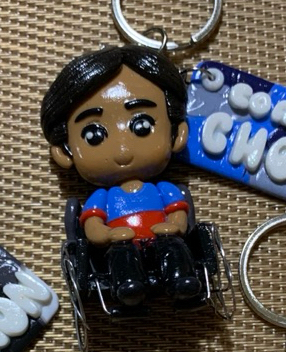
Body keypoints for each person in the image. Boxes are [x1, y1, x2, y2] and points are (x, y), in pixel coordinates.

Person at [41, 45, 202, 306]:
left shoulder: (164, 190)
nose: (122, 149)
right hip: (121, 245)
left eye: (142, 125)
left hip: (163, 239)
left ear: (178, 133)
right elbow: (93, 226)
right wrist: (106, 235)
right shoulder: (101, 197)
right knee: (121, 255)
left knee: (173, 247)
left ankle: (180, 278)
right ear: (63, 152)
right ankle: (128, 285)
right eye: (94, 135)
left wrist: (174, 226)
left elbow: (179, 215)